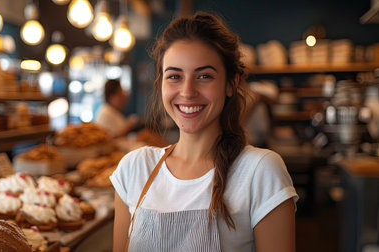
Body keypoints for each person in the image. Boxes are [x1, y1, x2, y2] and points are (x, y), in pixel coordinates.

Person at [110, 12, 298, 252]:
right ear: (161, 84)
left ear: (231, 83)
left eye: (204, 76)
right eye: (175, 76)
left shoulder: (259, 171)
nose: (187, 91)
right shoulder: (133, 169)